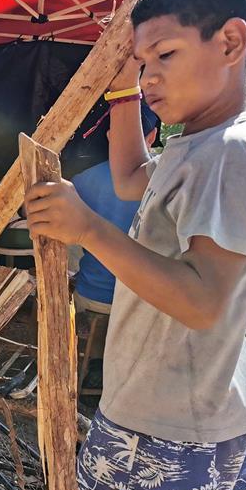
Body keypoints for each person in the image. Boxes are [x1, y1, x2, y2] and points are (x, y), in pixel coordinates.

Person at [25, 0, 246, 490]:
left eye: (164, 54)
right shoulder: (202, 142)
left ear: (230, 43)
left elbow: (201, 299)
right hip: (211, 411)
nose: (150, 75)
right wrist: (119, 96)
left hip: (161, 428)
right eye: (142, 62)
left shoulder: (227, 153)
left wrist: (89, 229)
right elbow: (134, 174)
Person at [72, 105, 160, 387]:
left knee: (78, 279)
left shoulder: (84, 180)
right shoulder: (168, 181)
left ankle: (97, 362)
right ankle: (126, 368)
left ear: (111, 134)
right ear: (153, 136)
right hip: (146, 300)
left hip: (93, 296)